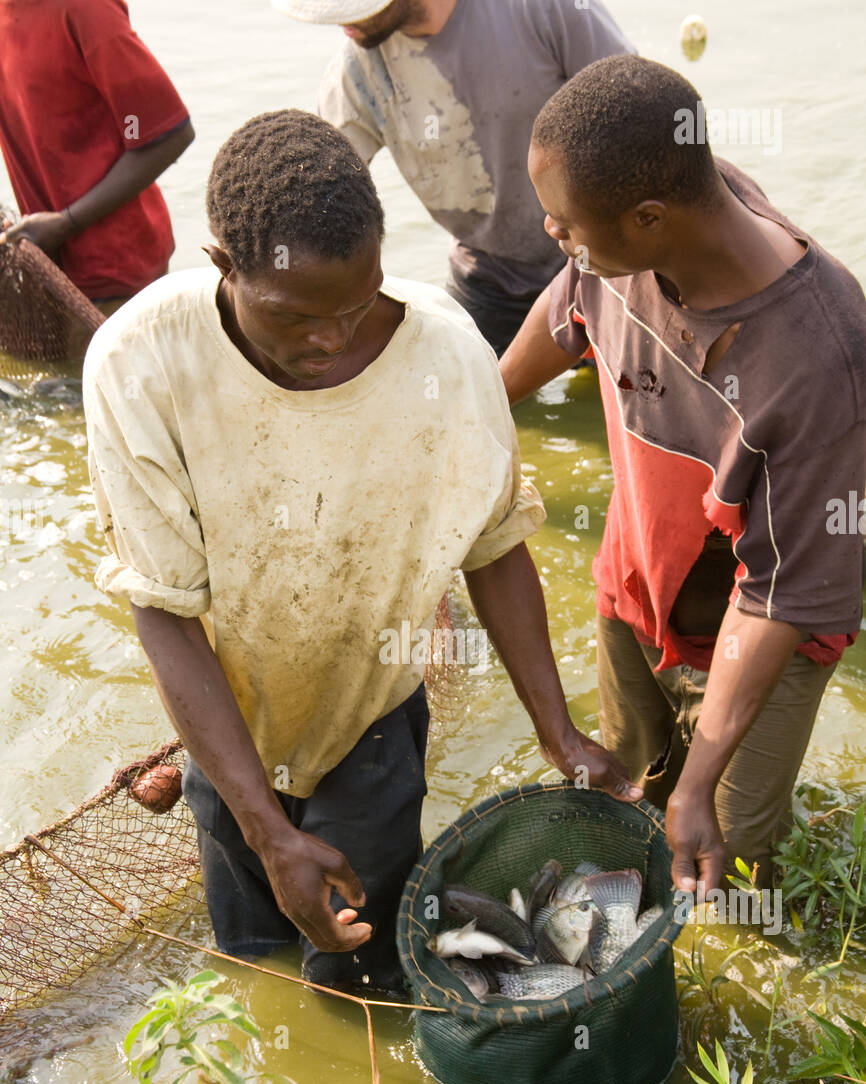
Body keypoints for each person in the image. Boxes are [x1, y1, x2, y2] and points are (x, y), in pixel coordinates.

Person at [83, 110, 641, 994]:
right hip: (225, 724)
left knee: (357, 978)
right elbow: (166, 613)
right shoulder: (140, 362)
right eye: (296, 315)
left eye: (357, 303)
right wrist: (267, 831)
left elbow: (494, 546)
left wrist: (560, 733)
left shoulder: (446, 355)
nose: (333, 337)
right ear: (224, 265)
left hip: (371, 716)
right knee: (251, 960)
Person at [500, 55, 866, 898]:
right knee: (626, 801)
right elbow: (569, 307)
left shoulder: (826, 364)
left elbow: (779, 596)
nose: (552, 232)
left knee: (727, 866)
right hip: (635, 587)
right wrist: (483, 399)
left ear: (649, 221)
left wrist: (699, 788)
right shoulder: (631, 233)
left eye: (564, 223)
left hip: (760, 630)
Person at [273, 0, 633, 356]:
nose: (339, 22)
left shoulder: (546, 10)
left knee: (629, 384)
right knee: (453, 383)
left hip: (603, 257)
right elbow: (320, 201)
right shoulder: (354, 75)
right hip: (487, 271)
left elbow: (637, 117)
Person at [0, 0, 193, 307]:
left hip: (115, 268)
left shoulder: (87, 9)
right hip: (48, 260)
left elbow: (165, 136)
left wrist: (66, 222)